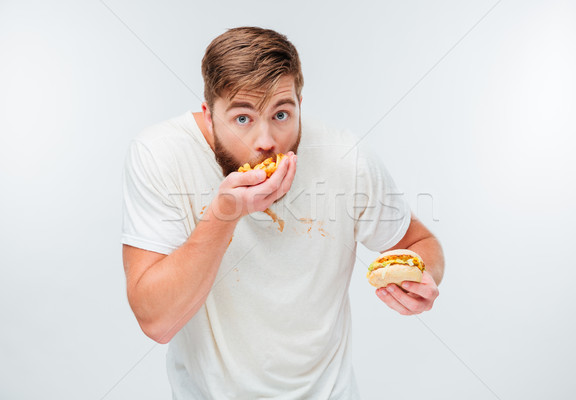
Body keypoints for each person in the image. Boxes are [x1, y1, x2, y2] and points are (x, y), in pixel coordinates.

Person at [121, 26, 444, 399]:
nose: (266, 142)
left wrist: (422, 276)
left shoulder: (347, 159)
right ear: (209, 116)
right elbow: (156, 322)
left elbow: (420, 243)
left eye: (281, 114)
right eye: (242, 118)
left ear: (299, 105)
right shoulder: (159, 154)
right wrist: (223, 215)